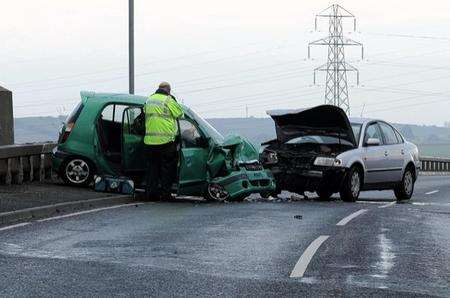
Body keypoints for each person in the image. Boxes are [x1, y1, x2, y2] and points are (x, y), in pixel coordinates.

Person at [144, 82, 183, 200]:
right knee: (167, 170)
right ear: (168, 90)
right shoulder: (168, 100)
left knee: (152, 169)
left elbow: (145, 112)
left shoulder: (149, 100)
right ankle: (166, 194)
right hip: (166, 142)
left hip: (150, 142)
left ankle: (151, 194)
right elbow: (180, 113)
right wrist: (173, 100)